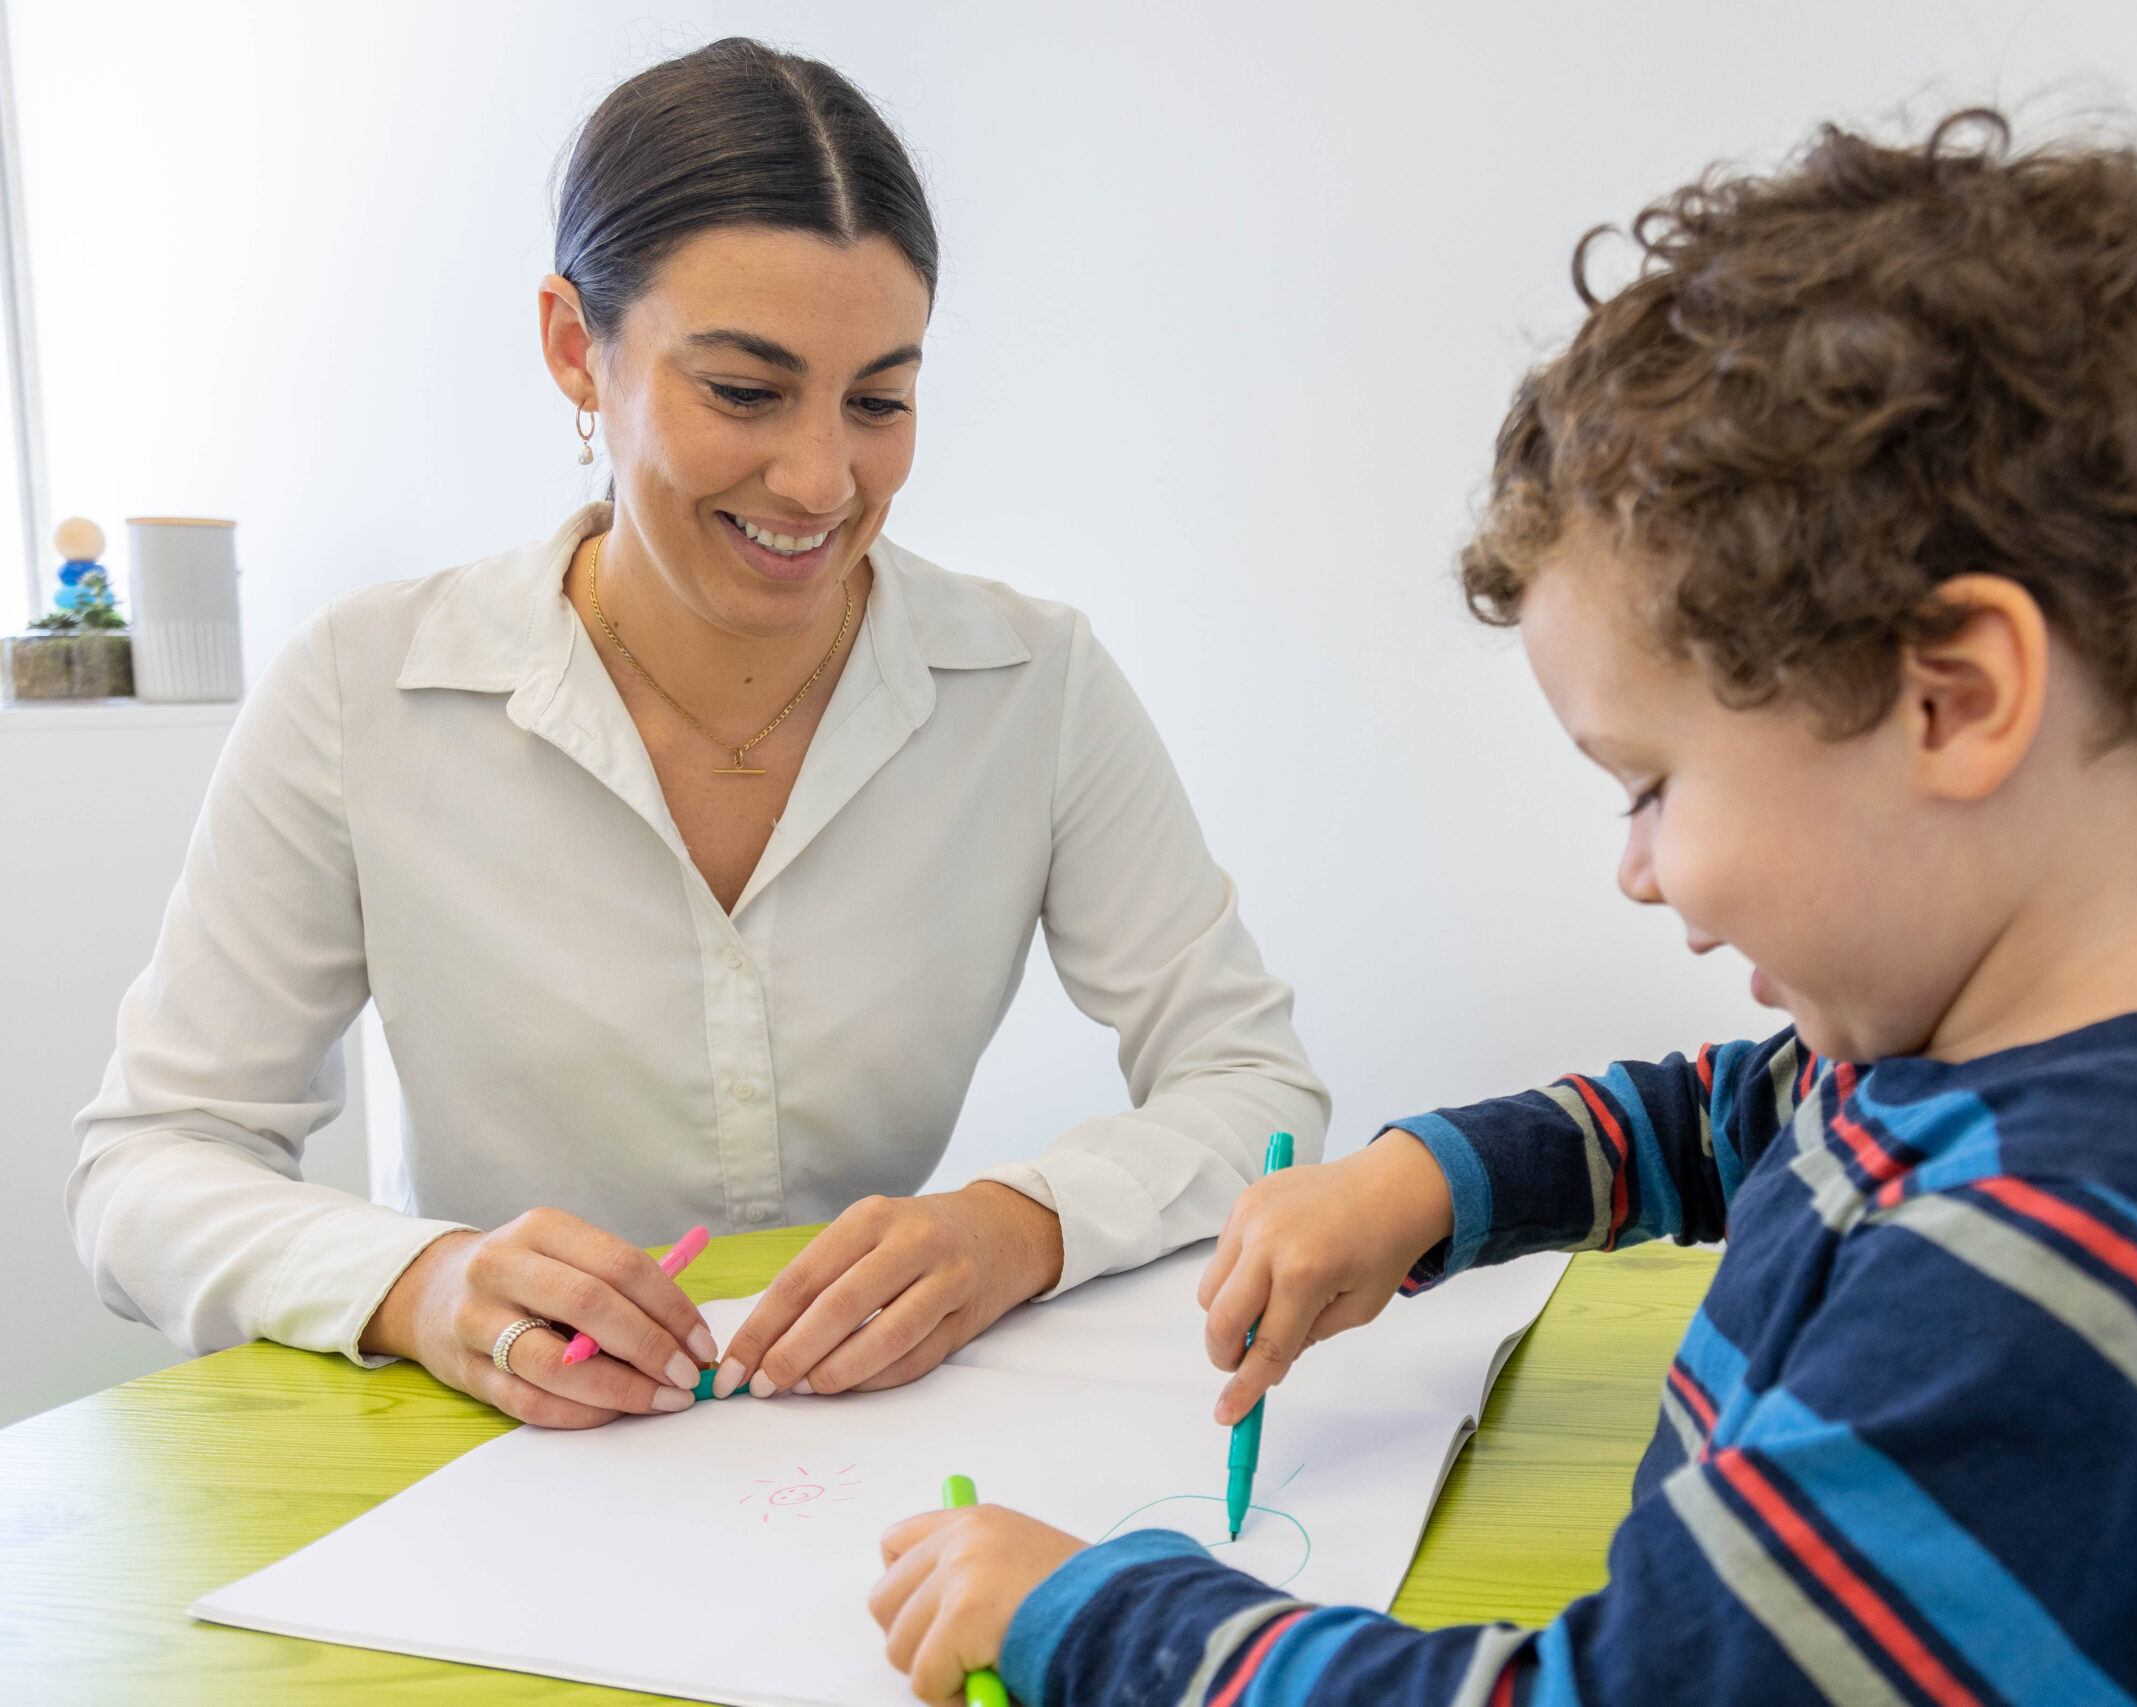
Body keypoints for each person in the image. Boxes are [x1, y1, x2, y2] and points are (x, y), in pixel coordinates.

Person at [866, 112, 2137, 1706]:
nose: (1639, 866)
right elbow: (1744, 1126)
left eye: (1653, 784)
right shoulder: (1999, 1078)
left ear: (1954, 702)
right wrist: (1424, 1189)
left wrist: (1101, 1620)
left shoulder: (2067, 1270)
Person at [67, 38, 1325, 1431]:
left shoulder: (1033, 683)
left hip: (859, 1457)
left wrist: (1017, 1226)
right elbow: (152, 1166)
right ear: (572, 348)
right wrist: (422, 1285)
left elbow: (1250, 1083)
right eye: (743, 390)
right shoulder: (368, 689)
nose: (821, 479)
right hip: (491, 1468)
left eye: (880, 399)